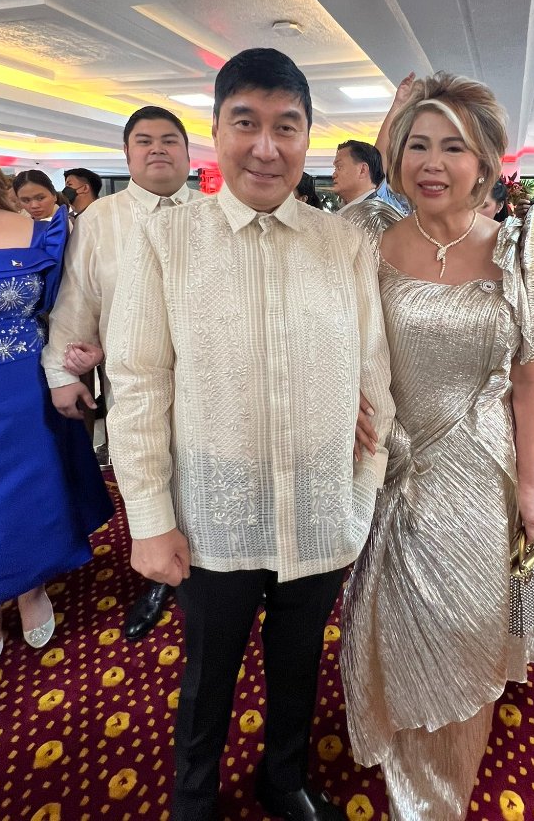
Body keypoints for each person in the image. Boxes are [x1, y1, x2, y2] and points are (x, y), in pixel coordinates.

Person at [105, 48, 394, 821]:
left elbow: (376, 377)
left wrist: (359, 485)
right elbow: (137, 382)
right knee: (208, 672)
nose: (266, 146)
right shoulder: (168, 240)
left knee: (299, 663)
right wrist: (150, 517)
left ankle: (283, 777)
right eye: (247, 123)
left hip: (318, 506)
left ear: (308, 140)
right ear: (217, 132)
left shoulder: (343, 243)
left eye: (286, 128)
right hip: (213, 514)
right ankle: (194, 795)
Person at [341, 72, 534, 821]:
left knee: (468, 622)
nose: (431, 163)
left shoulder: (520, 250)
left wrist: (531, 488)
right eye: (417, 146)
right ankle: (404, 759)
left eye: (452, 148)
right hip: (394, 464)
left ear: (486, 160)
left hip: (480, 465)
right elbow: (342, 345)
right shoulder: (366, 239)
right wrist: (353, 408)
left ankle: (439, 798)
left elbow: (532, 380)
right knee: (394, 617)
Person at [42, 106, 204, 642]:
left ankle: (217, 575)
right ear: (128, 154)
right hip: (133, 381)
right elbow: (75, 302)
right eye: (144, 141)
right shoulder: (100, 220)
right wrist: (63, 373)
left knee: (207, 477)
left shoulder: (215, 213)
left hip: (210, 380)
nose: (157, 149)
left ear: (187, 152)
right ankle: (160, 576)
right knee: (147, 472)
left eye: (168, 140)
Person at [0, 128, 112, 672]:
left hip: (20, 386)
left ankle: (30, 587)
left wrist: (78, 358)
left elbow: (66, 308)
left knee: (27, 489)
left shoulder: (36, 231)